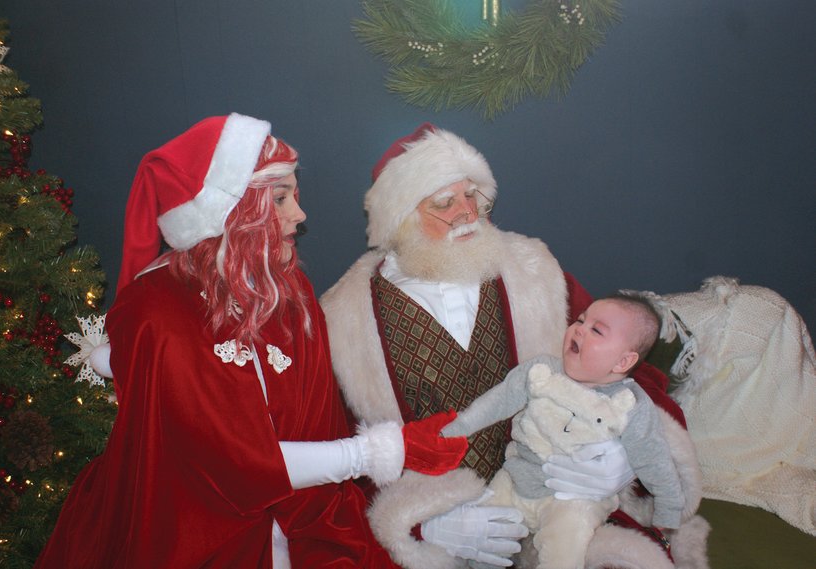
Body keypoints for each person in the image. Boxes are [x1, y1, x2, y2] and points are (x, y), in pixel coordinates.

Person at [34, 114, 467, 568]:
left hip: (293, 522)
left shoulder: (289, 290)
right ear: (230, 211)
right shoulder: (158, 313)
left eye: (294, 197)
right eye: (279, 199)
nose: (299, 215)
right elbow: (226, 466)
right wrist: (382, 450)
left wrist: (410, 513)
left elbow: (319, 426)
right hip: (190, 535)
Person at [320, 124, 709, 569]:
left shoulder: (535, 272)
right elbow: (333, 446)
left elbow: (627, 369)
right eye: (445, 203)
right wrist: (417, 524)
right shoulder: (342, 320)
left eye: (473, 195)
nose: (468, 213)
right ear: (401, 217)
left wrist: (623, 460)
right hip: (437, 518)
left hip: (550, 493)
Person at [442, 294, 686, 568]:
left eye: (596, 330)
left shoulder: (630, 405)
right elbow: (498, 400)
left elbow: (654, 458)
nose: (579, 328)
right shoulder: (542, 370)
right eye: (581, 320)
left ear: (622, 362)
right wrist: (458, 428)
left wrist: (669, 510)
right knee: (483, 537)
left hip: (575, 499)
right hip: (516, 479)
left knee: (565, 549)